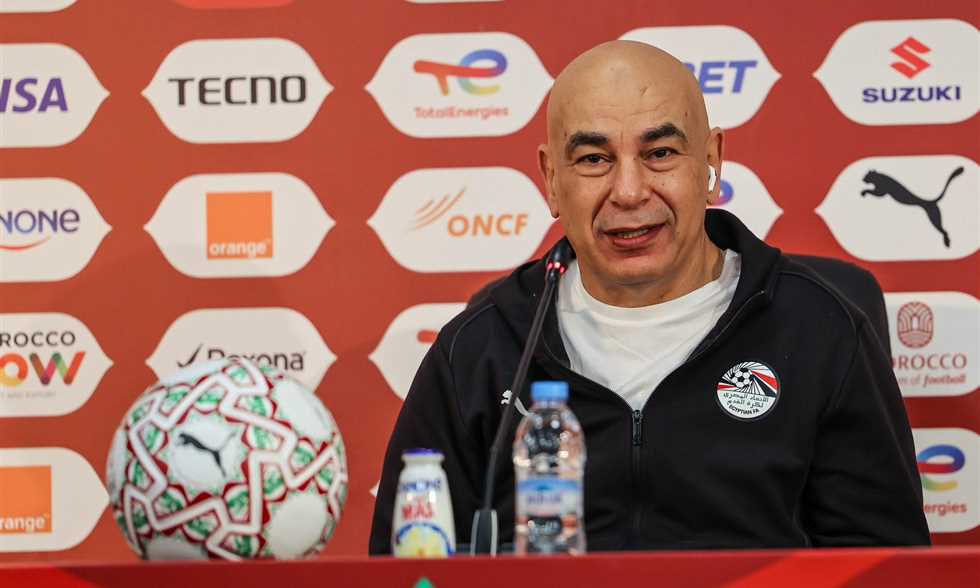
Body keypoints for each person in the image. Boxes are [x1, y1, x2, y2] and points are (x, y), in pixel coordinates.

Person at [369, 41, 929, 553]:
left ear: (711, 163)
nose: (630, 191)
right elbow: (411, 566)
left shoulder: (818, 330)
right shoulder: (483, 349)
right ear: (551, 178)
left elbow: (885, 566)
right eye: (594, 159)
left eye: (660, 153)